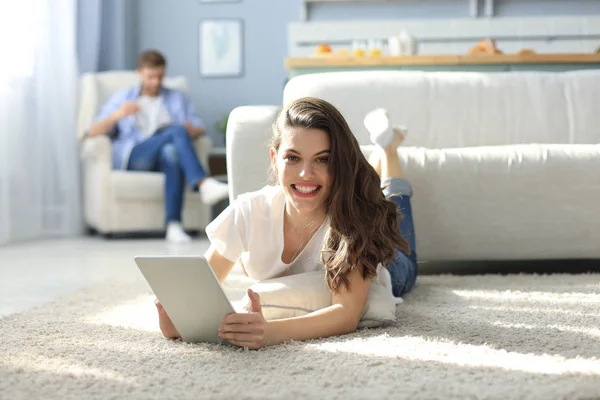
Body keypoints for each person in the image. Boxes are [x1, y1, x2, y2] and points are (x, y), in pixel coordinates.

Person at [155, 97, 418, 348]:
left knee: (395, 210)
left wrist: (270, 333)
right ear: (274, 159)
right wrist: (178, 320)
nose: (306, 173)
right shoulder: (249, 211)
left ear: (339, 164)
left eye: (323, 159)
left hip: (389, 265)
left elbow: (346, 314)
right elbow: (203, 289)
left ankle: (389, 150)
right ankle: (380, 156)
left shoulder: (356, 215)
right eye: (293, 157)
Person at [87, 49, 229, 243]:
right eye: (150, 77)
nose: (156, 82)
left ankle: (174, 226)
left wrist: (192, 131)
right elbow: (92, 131)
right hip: (136, 154)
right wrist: (118, 115)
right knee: (176, 131)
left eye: (160, 76)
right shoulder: (123, 98)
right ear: (139, 74)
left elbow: (199, 129)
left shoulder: (176, 98)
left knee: (172, 152)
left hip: (164, 154)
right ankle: (203, 183)